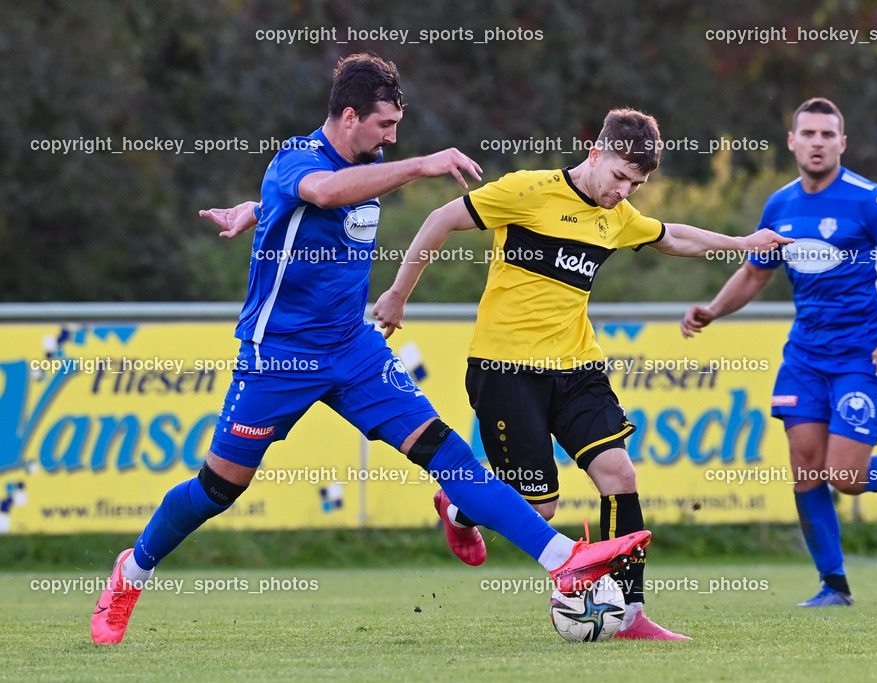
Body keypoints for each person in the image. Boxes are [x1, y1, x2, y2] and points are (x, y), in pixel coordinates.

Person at [90, 53, 653, 645]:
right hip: (279, 356)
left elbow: (314, 203)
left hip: (355, 350)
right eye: (384, 126)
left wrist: (257, 211)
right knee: (218, 490)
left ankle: (565, 559)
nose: (391, 138)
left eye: (397, 131)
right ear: (350, 115)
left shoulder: (367, 158)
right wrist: (420, 166)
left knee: (448, 452)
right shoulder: (297, 159)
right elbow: (324, 192)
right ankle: (131, 573)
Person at [373, 108, 792, 640]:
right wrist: (397, 294)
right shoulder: (528, 191)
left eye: (635, 184)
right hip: (506, 369)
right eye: (619, 177)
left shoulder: (617, 218)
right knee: (540, 506)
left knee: (620, 475)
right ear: (596, 153)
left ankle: (629, 615)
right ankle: (460, 507)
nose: (623, 192)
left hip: (577, 368)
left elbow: (672, 237)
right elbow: (440, 220)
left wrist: (742, 244)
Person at [681, 97, 877, 607]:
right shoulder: (780, 206)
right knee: (805, 466)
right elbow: (756, 271)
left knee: (844, 477)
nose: (817, 142)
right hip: (804, 358)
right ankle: (833, 585)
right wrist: (712, 310)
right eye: (809, 134)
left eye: (828, 135)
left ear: (842, 143)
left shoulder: (869, 200)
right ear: (792, 142)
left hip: (863, 358)